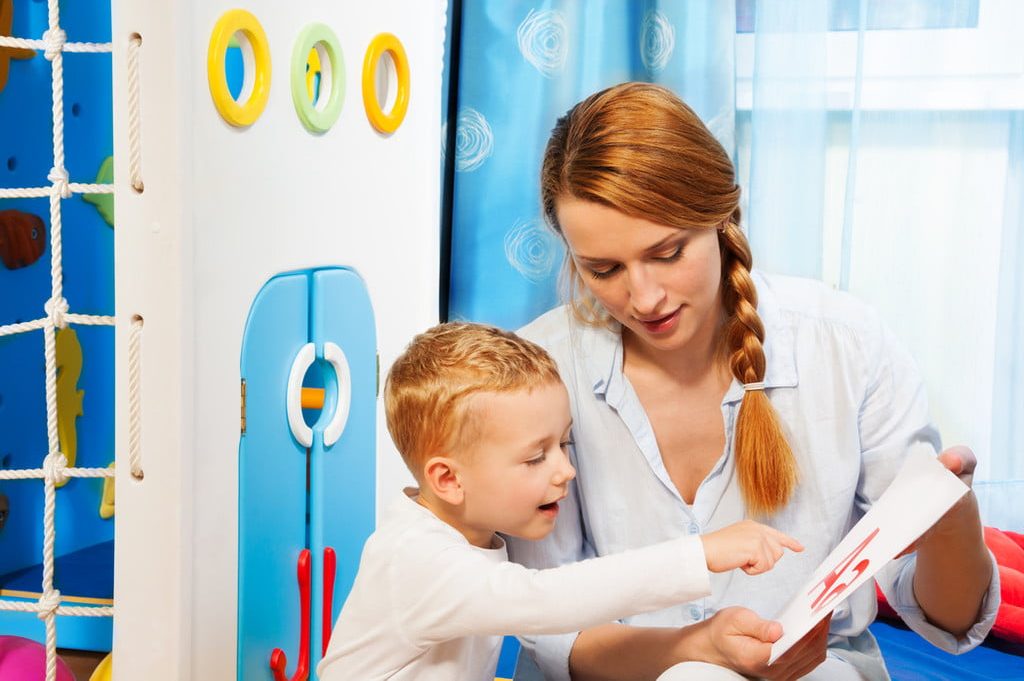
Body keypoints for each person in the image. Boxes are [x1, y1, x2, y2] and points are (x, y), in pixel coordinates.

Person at [507, 81, 1000, 681]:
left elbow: (948, 622)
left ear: (719, 215)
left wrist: (953, 521)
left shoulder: (847, 344)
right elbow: (548, 622)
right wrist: (694, 650)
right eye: (603, 269)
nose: (643, 297)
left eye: (667, 253)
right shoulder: (538, 371)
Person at [316, 322, 804, 681]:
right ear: (448, 479)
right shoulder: (418, 558)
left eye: (564, 445)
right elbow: (545, 599)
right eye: (534, 459)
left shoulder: (464, 537)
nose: (566, 470)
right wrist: (701, 553)